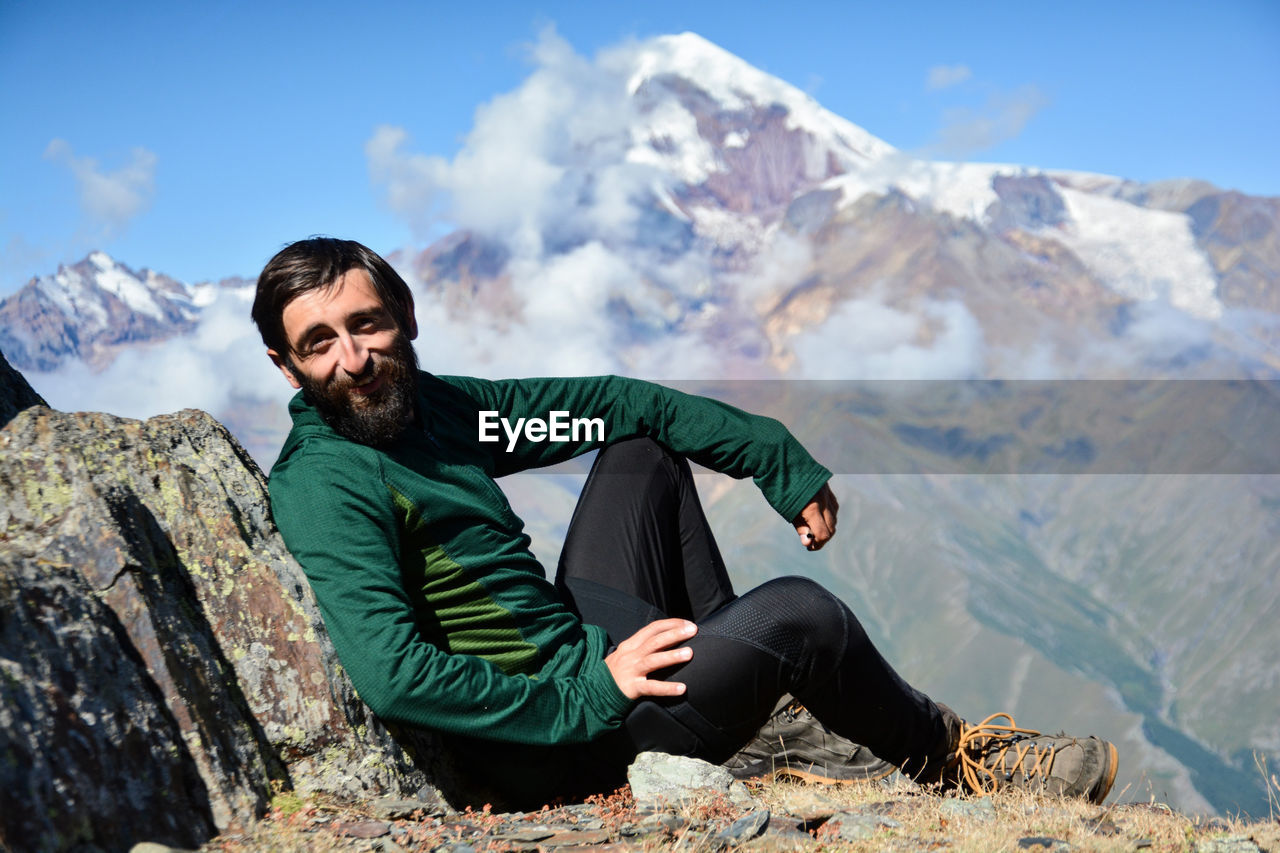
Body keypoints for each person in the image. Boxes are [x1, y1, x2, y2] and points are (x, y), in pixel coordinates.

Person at [252, 237, 1119, 808]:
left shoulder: (433, 412)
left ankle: (760, 724)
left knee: (641, 449)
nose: (353, 359)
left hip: (591, 667)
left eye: (366, 324)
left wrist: (769, 454)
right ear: (286, 366)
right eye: (319, 341)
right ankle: (961, 764)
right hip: (560, 741)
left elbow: (615, 406)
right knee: (800, 614)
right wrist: (590, 693)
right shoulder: (329, 481)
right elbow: (396, 676)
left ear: (405, 320)